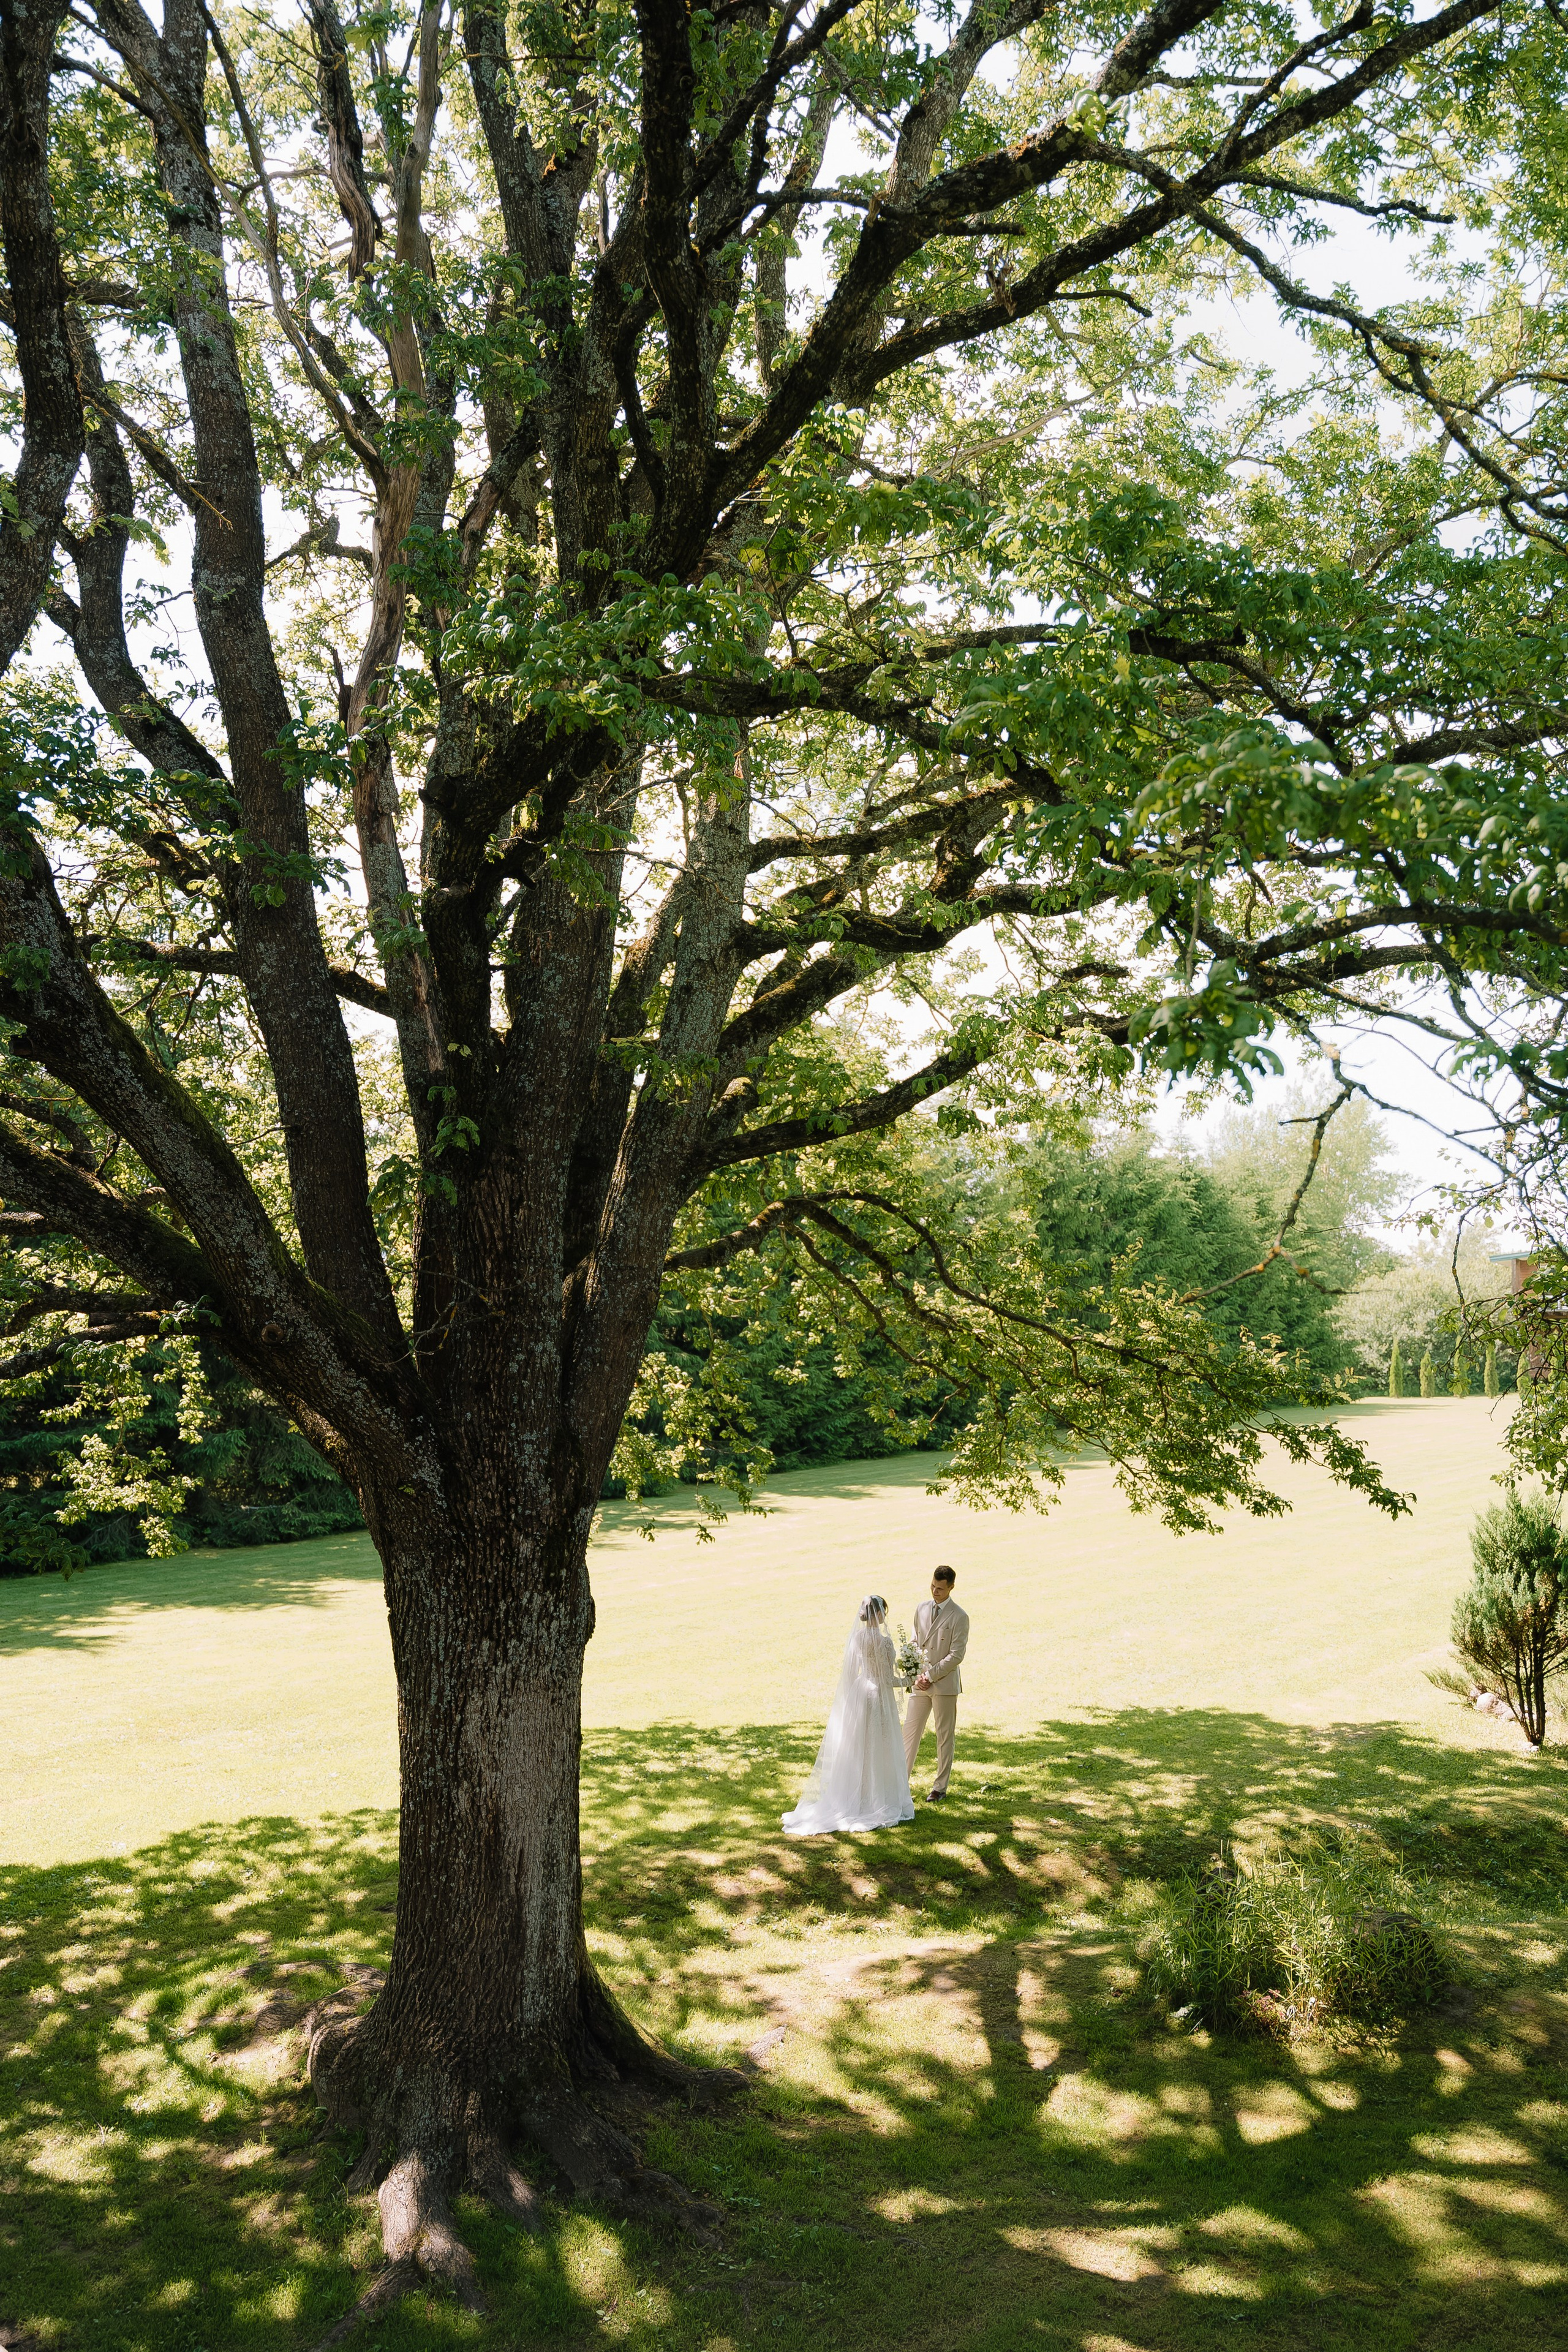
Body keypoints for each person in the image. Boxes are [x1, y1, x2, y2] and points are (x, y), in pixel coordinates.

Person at [782, 1594, 914, 1835]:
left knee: (859, 1747)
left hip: (861, 1693)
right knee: (878, 1748)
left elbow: (853, 1672)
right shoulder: (884, 1642)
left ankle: (856, 1794)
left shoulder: (857, 1637)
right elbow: (886, 1679)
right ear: (879, 1614)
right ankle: (875, 1800)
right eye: (884, 1611)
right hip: (878, 1698)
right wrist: (909, 1680)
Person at [903, 1564, 968, 1801]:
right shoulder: (921, 1608)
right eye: (932, 1586)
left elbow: (957, 1654)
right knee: (909, 1732)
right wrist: (917, 1673)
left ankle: (939, 1788)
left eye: (940, 1588)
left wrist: (930, 1675)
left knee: (944, 1736)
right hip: (920, 1684)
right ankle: (900, 1782)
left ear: (951, 1587)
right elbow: (913, 1642)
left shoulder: (959, 1616)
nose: (935, 1591)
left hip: (944, 1685)